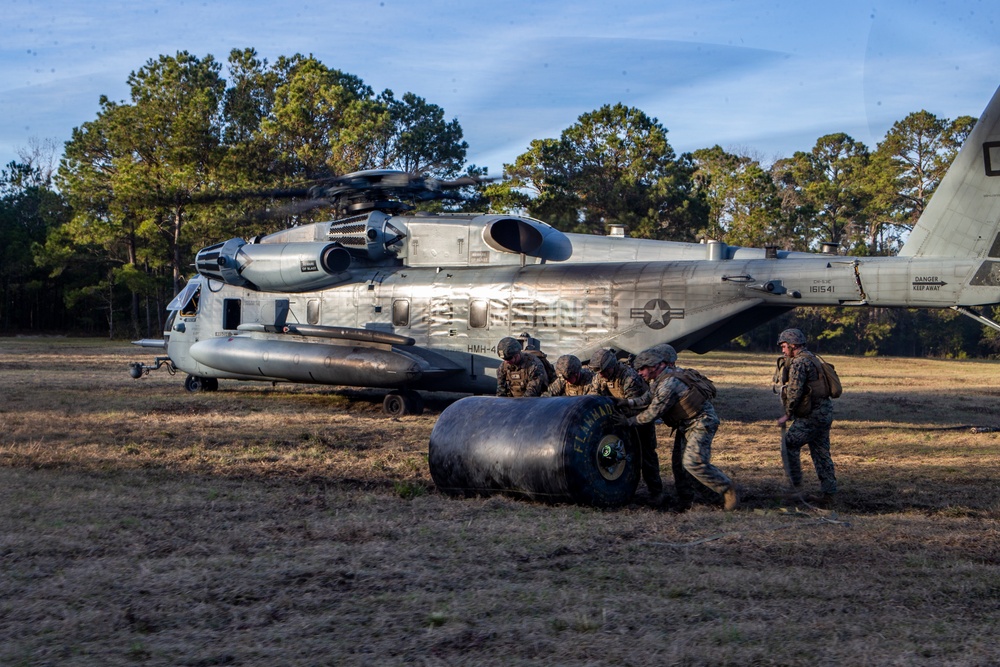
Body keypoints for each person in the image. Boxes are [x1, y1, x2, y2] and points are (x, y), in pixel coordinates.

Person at [620, 346, 738, 512]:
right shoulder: (660, 380)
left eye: (642, 369)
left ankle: (726, 489)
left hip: (701, 422)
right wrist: (628, 403)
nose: (639, 373)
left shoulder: (669, 384)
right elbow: (647, 398)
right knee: (679, 466)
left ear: (653, 366)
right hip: (686, 424)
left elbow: (652, 413)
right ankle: (687, 500)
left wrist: (629, 422)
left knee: (693, 462)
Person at [588, 348, 664, 506]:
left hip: (639, 420)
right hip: (618, 419)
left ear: (611, 366)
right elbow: (593, 397)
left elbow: (635, 405)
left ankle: (656, 493)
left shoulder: (629, 378)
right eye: (598, 372)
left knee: (646, 456)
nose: (601, 375)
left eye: (603, 371)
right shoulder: (599, 377)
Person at [774, 328, 837, 507]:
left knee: (789, 444)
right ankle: (829, 495)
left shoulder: (799, 363)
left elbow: (794, 391)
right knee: (821, 454)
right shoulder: (813, 358)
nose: (783, 351)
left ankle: (795, 490)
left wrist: (787, 414)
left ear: (793, 346)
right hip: (824, 413)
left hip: (812, 416)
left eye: (784, 347)